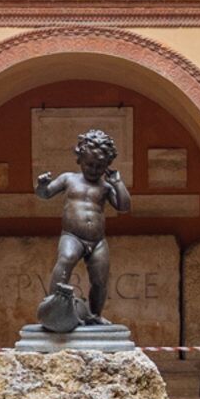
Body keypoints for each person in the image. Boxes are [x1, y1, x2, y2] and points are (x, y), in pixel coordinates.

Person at [33, 129, 127, 331]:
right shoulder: (69, 179)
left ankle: (95, 315)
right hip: (72, 236)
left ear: (107, 166)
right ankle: (53, 305)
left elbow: (124, 206)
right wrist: (42, 185)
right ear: (79, 159)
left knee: (100, 280)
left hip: (98, 240)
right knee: (65, 261)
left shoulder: (106, 187)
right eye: (89, 164)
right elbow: (45, 194)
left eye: (99, 167)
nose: (93, 169)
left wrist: (118, 183)